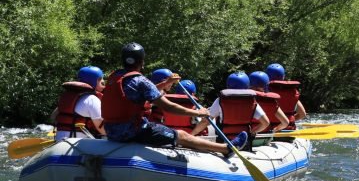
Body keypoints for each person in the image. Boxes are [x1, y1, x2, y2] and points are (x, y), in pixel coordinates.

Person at [101, 42, 246, 157]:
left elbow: (139, 93)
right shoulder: (141, 81)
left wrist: (164, 84)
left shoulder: (115, 77)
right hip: (133, 131)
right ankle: (226, 149)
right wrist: (199, 113)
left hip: (111, 131)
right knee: (181, 135)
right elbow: (168, 107)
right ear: (142, 61)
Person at [192, 72, 269, 140]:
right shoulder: (252, 102)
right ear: (247, 86)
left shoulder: (220, 100)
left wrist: (191, 135)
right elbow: (265, 122)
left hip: (224, 139)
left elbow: (205, 121)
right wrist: (252, 132)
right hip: (244, 140)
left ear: (228, 85)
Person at [52, 66, 106, 140]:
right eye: (100, 79)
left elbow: (53, 117)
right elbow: (102, 129)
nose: (103, 82)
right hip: (78, 144)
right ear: (94, 81)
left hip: (59, 139)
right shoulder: (92, 99)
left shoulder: (68, 97)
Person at [265, 63, 307, 128]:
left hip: (268, 130)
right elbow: (302, 114)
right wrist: (288, 120)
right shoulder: (291, 93)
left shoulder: (265, 92)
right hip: (288, 128)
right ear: (283, 76)